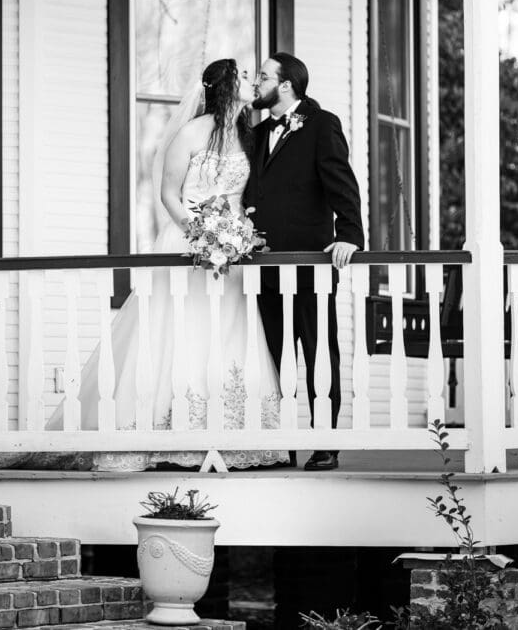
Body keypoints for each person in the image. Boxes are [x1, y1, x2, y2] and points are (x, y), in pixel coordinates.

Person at [48, 57, 289, 471]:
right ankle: (159, 432)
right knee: (177, 330)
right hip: (191, 244)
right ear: (227, 85)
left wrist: (236, 236)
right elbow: (169, 194)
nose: (252, 80)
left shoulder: (250, 137)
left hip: (233, 254)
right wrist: (201, 234)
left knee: (229, 333)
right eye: (245, 75)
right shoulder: (191, 133)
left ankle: (228, 435)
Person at [244, 52, 364, 471]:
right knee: (272, 354)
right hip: (262, 266)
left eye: (262, 76)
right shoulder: (257, 134)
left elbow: (341, 183)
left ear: (286, 85)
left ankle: (325, 441)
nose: (256, 83)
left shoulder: (321, 124)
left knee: (317, 351)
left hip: (310, 262)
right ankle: (280, 445)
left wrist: (349, 235)